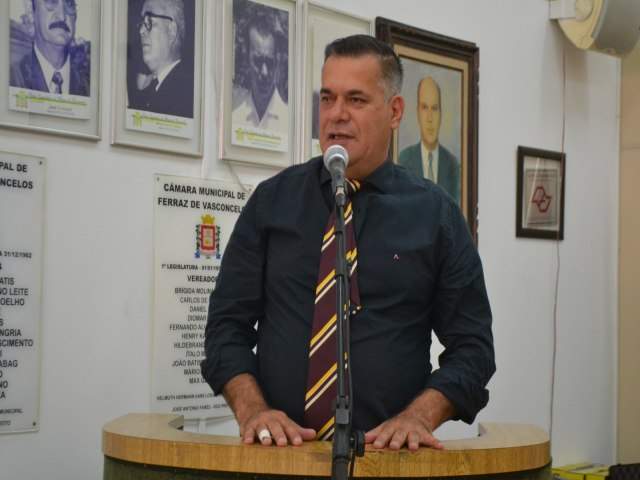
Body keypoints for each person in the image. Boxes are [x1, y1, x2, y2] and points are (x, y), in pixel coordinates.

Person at [201, 35, 494, 451]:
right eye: (327, 98)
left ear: (395, 111)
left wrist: (419, 417)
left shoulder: (435, 216)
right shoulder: (272, 203)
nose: (336, 115)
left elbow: (473, 348)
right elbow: (225, 327)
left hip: (389, 461)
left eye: (355, 100)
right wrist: (253, 412)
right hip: (280, 458)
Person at [127, 0, 194, 118]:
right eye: (142, 22)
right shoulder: (144, 91)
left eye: (149, 21)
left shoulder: (187, 94)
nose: (141, 31)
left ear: (171, 31)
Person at [399, 76, 460, 204]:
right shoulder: (403, 160)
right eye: (424, 107)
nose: (430, 118)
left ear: (441, 114)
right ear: (417, 113)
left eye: (435, 108)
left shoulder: (453, 165)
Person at [10, 0, 90, 96]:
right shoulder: (12, 79)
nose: (62, 16)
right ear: (31, 13)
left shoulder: (90, 84)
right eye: (51, 1)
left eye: (69, 4)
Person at [231, 10, 287, 130]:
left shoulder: (289, 122)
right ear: (247, 59)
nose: (264, 72)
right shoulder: (233, 119)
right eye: (258, 61)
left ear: (277, 61)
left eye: (269, 62)